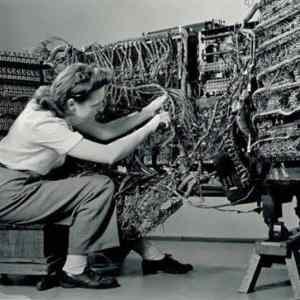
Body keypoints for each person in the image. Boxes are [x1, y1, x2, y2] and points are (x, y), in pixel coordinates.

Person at [0, 63, 192, 289]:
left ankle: (151, 254)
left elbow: (105, 132)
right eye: (96, 104)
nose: (100, 109)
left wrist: (148, 112)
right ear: (72, 103)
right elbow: (109, 154)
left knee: (106, 185)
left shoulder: (60, 105)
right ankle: (74, 270)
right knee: (98, 187)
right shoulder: (43, 123)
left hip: (25, 183)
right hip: (10, 193)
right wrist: (151, 126)